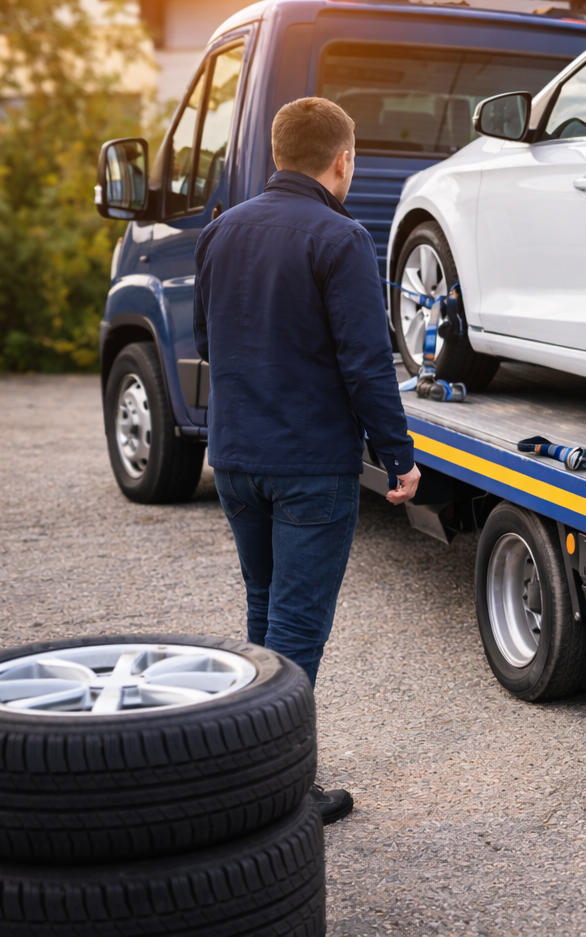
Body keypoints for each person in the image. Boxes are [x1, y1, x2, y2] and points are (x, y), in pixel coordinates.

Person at [193, 96, 421, 825]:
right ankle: (274, 791)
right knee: (296, 632)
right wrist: (398, 455)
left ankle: (241, 768)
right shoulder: (340, 236)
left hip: (235, 460)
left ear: (275, 153)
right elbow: (365, 363)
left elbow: (208, 335)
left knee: (264, 611)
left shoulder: (222, 230)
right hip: (308, 468)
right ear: (342, 160)